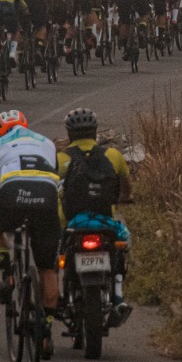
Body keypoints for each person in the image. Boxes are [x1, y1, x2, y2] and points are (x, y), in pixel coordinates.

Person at [0, 110, 63, 350]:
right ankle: (45, 329)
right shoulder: (46, 142)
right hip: (45, 197)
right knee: (47, 269)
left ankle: (8, 275)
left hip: (11, 193)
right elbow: (54, 180)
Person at [56, 108, 133, 320]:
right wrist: (122, 199)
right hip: (105, 223)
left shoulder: (60, 159)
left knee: (57, 255)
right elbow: (126, 189)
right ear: (94, 132)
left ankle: (57, 294)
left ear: (70, 133)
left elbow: (53, 188)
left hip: (71, 224)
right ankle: (118, 295)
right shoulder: (113, 155)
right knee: (122, 251)